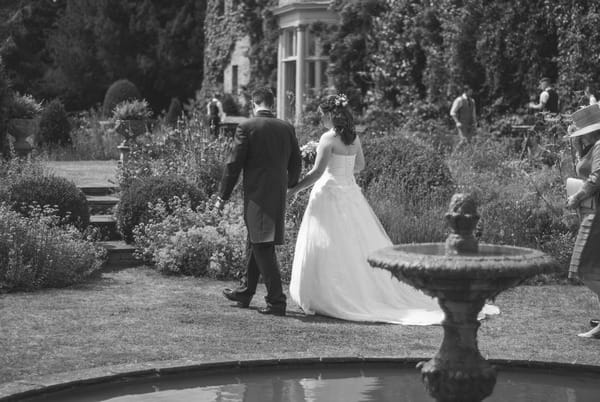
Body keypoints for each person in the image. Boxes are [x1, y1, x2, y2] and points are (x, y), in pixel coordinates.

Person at [286, 94, 499, 324]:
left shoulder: (328, 139)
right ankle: (355, 290)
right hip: (349, 193)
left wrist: (295, 189)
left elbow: (317, 173)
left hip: (328, 193)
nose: (321, 120)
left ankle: (328, 294)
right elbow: (360, 166)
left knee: (328, 243)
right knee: (354, 243)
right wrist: (342, 173)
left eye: (321, 115)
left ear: (329, 114)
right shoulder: (353, 138)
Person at [216, 87, 302, 316]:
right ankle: (245, 291)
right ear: (271, 104)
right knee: (255, 241)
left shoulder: (247, 126)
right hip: (277, 194)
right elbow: (296, 164)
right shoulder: (287, 127)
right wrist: (289, 184)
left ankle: (276, 302)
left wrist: (221, 196)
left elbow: (233, 165)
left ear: (254, 104)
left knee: (262, 246)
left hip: (257, 195)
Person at [566, 104, 600, 338]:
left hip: (597, 212)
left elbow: (597, 177)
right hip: (590, 211)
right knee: (595, 267)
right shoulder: (591, 146)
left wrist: (577, 196)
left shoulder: (599, 146)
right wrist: (577, 145)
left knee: (585, 267)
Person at [450, 85, 477, 149]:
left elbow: (473, 113)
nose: (471, 92)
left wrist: (475, 122)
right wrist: (457, 122)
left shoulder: (472, 101)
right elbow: (452, 112)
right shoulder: (459, 100)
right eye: (470, 91)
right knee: (463, 140)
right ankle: (454, 153)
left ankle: (466, 156)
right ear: (465, 91)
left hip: (470, 124)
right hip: (462, 124)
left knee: (469, 142)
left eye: (471, 91)